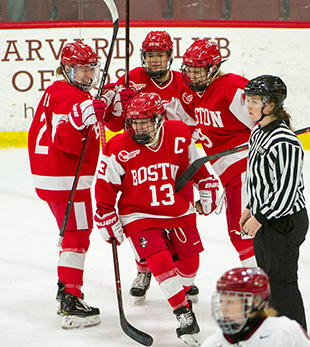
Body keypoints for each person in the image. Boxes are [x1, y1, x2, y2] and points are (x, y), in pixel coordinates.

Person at [95, 92, 219, 346]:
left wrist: (206, 183)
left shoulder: (179, 134)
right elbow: (105, 184)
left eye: (145, 121)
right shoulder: (118, 145)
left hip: (178, 210)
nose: (138, 128)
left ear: (160, 118)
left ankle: (152, 271)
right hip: (138, 213)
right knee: (160, 259)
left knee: (189, 268)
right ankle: (183, 314)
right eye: (134, 122)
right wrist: (105, 213)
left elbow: (196, 165)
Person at [103, 30, 198, 304]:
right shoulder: (131, 80)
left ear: (169, 56)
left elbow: (194, 119)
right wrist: (116, 107)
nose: (155, 61)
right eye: (150, 55)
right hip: (139, 159)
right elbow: (112, 123)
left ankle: (182, 274)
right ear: (143, 56)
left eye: (160, 55)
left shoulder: (183, 82)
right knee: (141, 219)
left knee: (178, 218)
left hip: (174, 161)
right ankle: (143, 268)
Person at [27, 40, 107, 329]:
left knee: (74, 232)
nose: (88, 76)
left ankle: (68, 289)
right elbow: (67, 142)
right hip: (67, 178)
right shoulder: (72, 97)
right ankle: (70, 299)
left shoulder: (56, 90)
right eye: (81, 70)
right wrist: (78, 120)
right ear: (66, 68)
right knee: (77, 234)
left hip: (50, 176)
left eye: (91, 69)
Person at [239, 75, 309, 330]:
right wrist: (250, 207)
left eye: (255, 101)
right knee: (268, 280)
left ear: (270, 104)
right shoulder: (258, 132)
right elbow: (258, 176)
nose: (249, 106)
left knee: (283, 283)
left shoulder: (284, 142)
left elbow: (286, 192)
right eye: (249, 99)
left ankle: (297, 338)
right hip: (267, 217)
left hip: (284, 222)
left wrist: (260, 217)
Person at [181, 39, 257, 268]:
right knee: (242, 233)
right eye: (190, 71)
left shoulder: (232, 87)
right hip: (231, 176)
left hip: (245, 171)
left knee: (242, 233)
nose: (194, 77)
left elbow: (261, 122)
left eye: (199, 71)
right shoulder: (198, 94)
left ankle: (260, 287)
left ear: (213, 68)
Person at [202, 267, 310, 347]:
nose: (223, 309)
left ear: (255, 302)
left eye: (230, 302)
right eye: (222, 301)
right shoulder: (214, 343)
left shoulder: (284, 332)